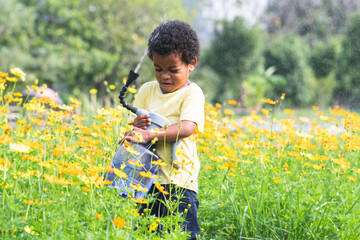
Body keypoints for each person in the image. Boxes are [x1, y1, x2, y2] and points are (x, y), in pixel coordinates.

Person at [123, 20, 204, 240]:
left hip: (179, 183)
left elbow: (187, 127)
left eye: (173, 70)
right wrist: (136, 131)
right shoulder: (148, 90)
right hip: (146, 180)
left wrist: (152, 134)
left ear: (191, 63)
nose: (164, 76)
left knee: (182, 234)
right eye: (158, 69)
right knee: (146, 233)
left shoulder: (192, 93)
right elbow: (133, 128)